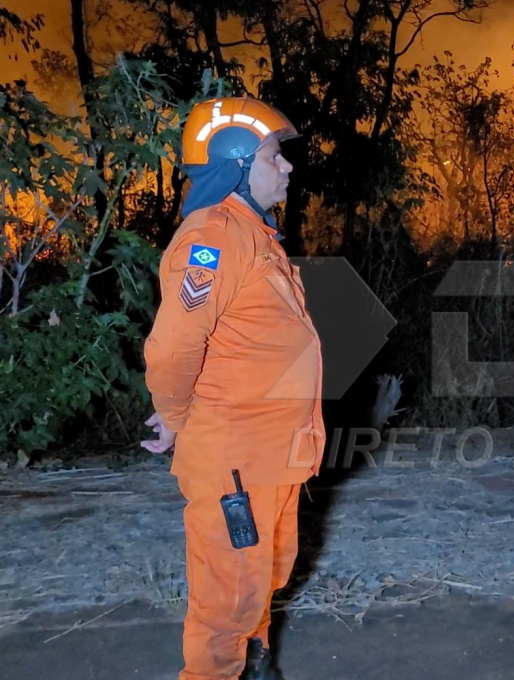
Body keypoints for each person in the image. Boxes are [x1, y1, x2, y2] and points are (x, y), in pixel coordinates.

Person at [140, 96, 327, 680]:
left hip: (272, 457)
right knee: (225, 605)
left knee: (264, 577)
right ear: (239, 163)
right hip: (235, 463)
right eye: (276, 156)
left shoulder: (256, 234)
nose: (288, 167)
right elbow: (173, 348)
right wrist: (173, 415)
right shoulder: (214, 238)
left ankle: (257, 665)